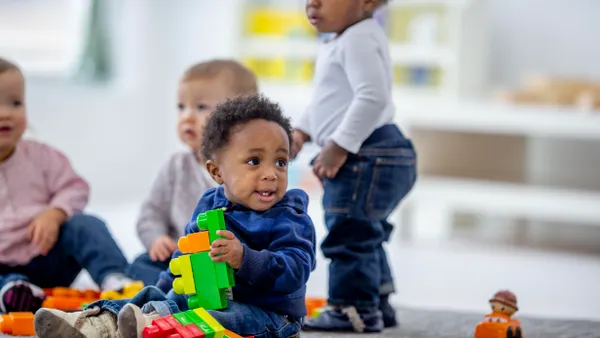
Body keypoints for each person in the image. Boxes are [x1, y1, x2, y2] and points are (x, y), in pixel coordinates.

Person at [34, 94, 317, 338]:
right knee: (157, 296)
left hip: (270, 316)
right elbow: (185, 257)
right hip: (207, 299)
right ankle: (99, 322)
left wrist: (245, 258)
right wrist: (163, 290)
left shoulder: (290, 217)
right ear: (217, 172)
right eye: (254, 161)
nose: (271, 173)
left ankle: (152, 325)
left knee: (224, 318)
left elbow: (296, 270)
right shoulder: (210, 205)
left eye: (281, 162)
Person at [292, 0, 417, 333]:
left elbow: (372, 97)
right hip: (379, 152)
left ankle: (353, 308)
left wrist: (338, 145)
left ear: (367, 3)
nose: (312, 3)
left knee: (349, 232)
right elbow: (327, 100)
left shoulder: (357, 38)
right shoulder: (342, 38)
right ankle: (377, 302)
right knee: (364, 231)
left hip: (367, 154)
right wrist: (302, 132)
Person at [0, 57, 134, 314]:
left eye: (16, 103)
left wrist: (55, 213)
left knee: (85, 224)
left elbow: (75, 187)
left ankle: (115, 278)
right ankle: (13, 292)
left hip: (47, 256)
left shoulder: (41, 157)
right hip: (3, 269)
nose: (6, 112)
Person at [127, 60, 259, 286]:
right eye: (181, 107)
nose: (187, 116)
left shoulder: (247, 169)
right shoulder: (175, 166)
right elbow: (151, 213)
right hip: (180, 259)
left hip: (225, 261)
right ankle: (178, 290)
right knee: (139, 266)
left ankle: (181, 292)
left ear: (241, 119)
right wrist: (157, 238)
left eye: (200, 107)